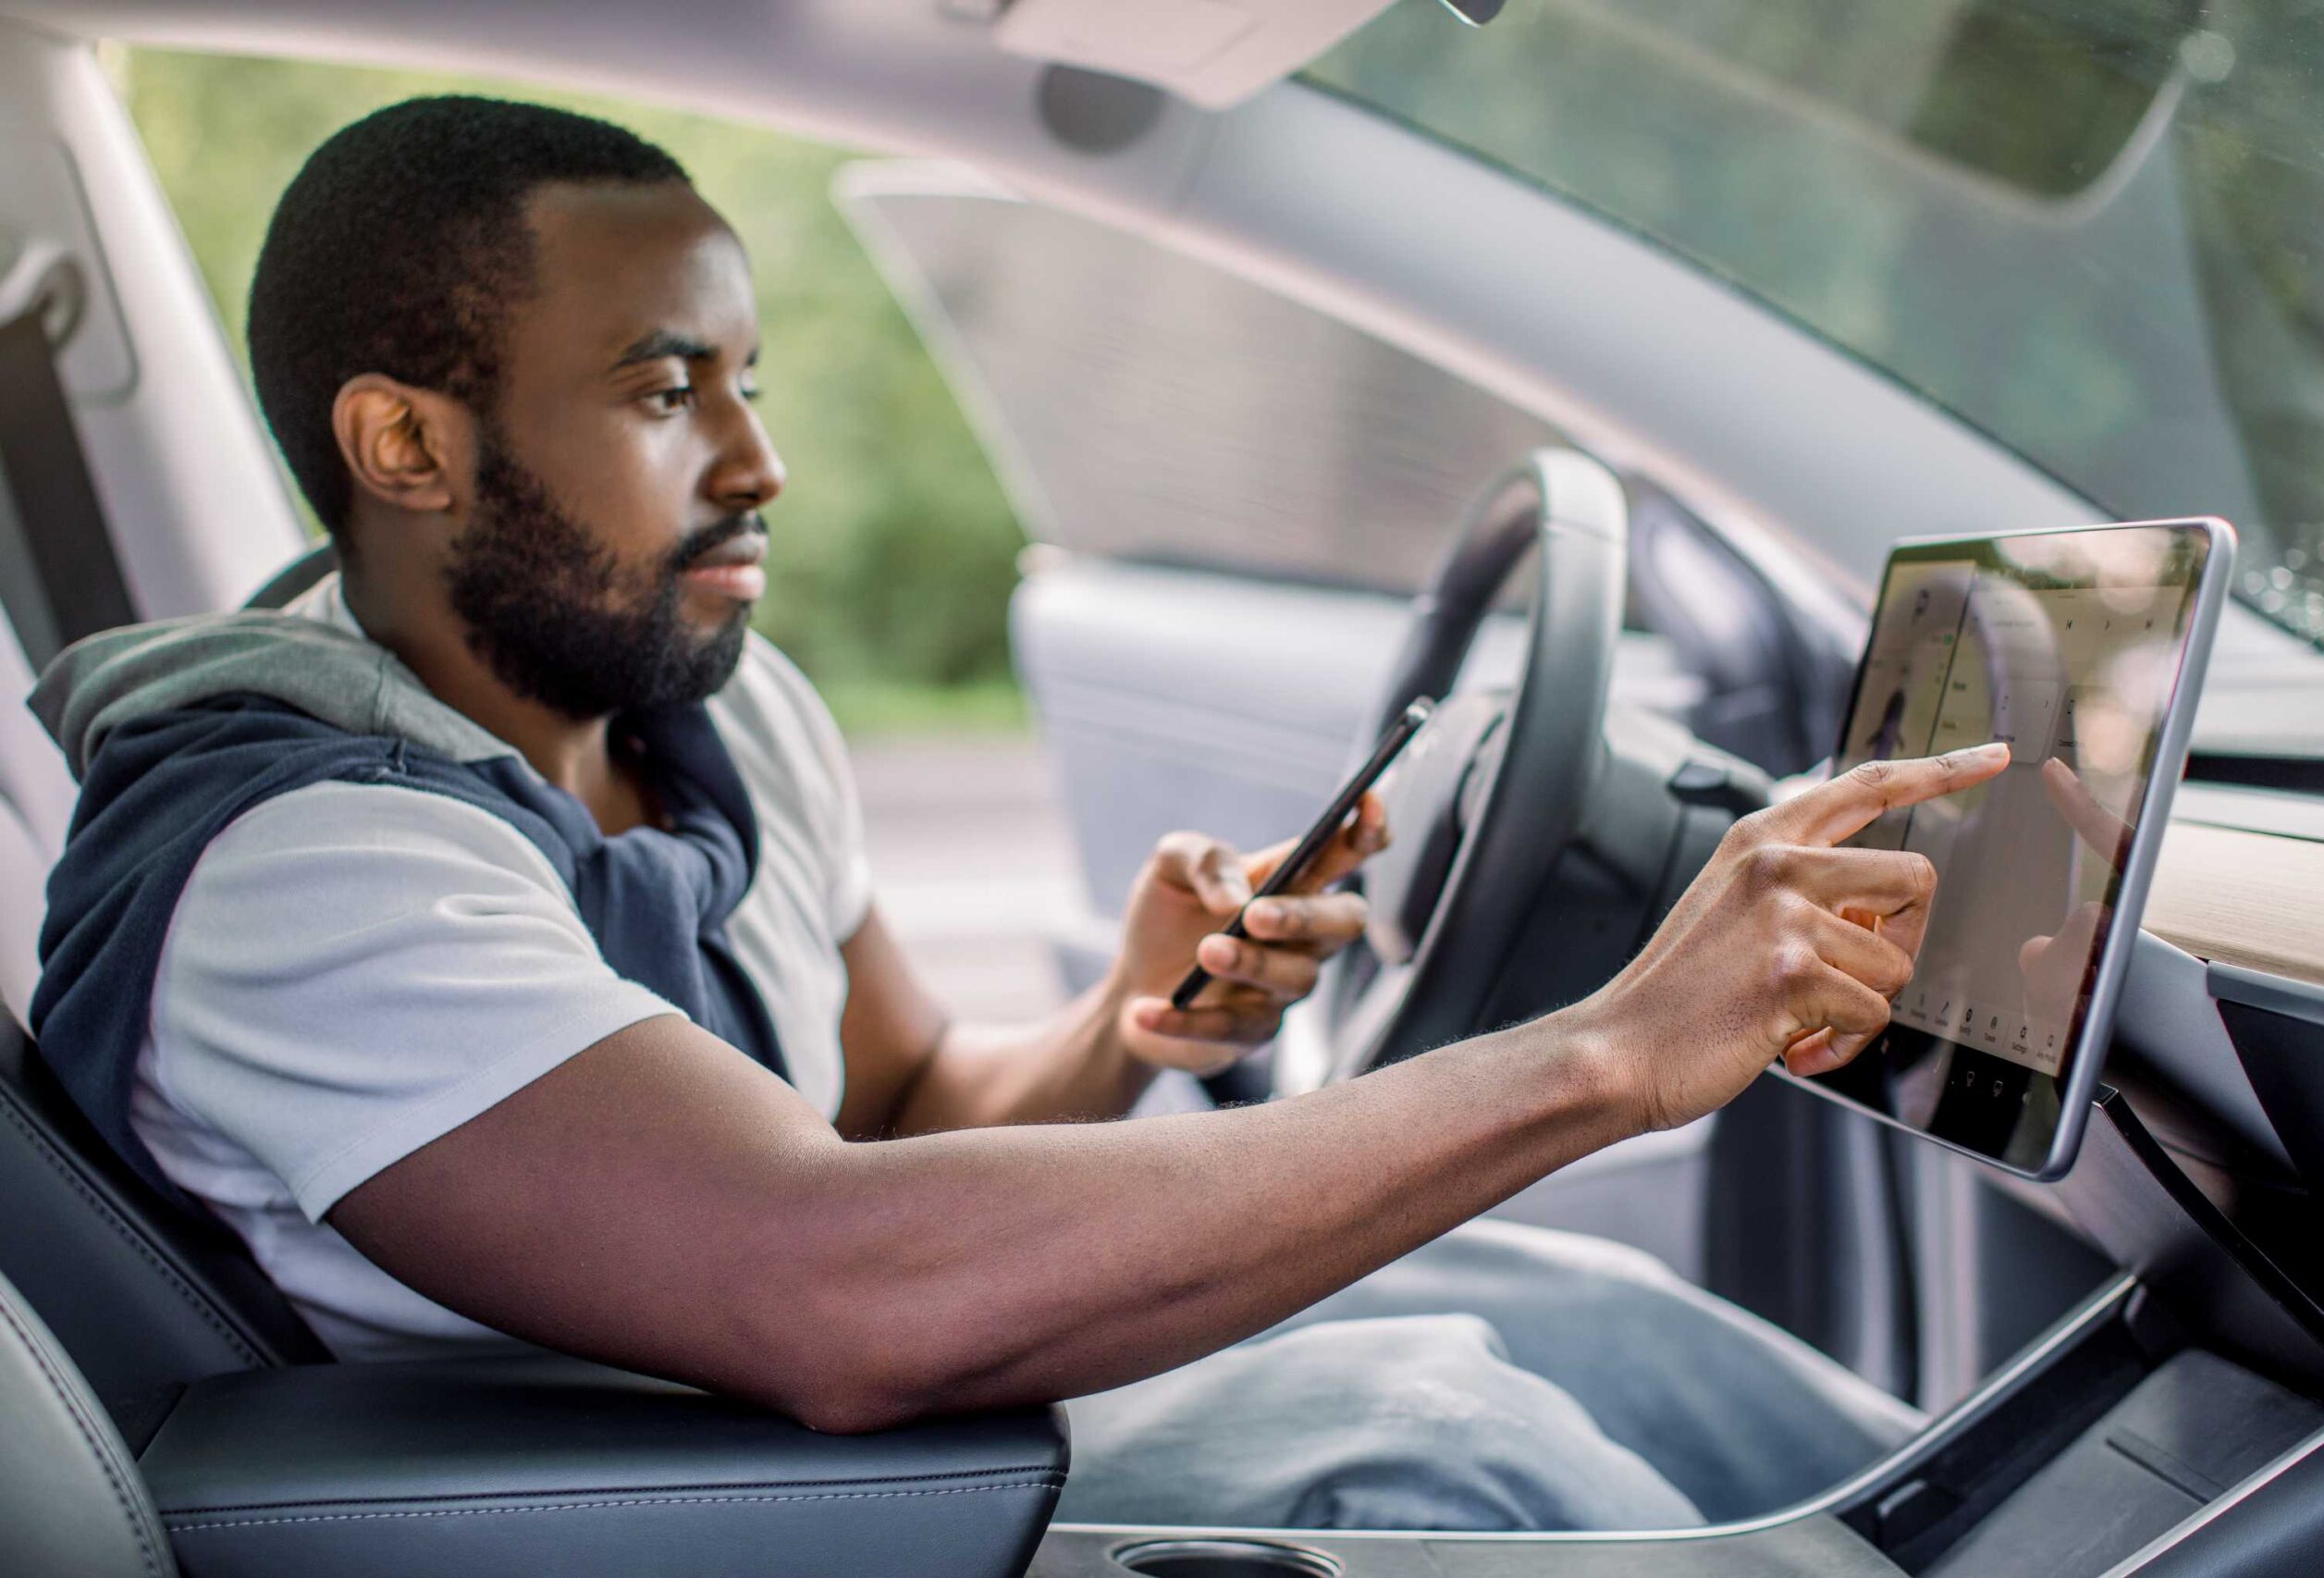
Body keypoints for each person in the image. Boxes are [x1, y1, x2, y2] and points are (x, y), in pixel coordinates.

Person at [26, 97, 2007, 1532]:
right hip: (680, 1504)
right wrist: (1598, 1056)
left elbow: (885, 1122)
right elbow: (831, 1280)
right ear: (407, 445)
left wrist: (1125, 1031)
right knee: (1416, 1425)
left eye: (751, 381)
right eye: (662, 393)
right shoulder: (295, 866)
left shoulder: (709, 710)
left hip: (820, 1415)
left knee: (1583, 1314)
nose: (762, 459)